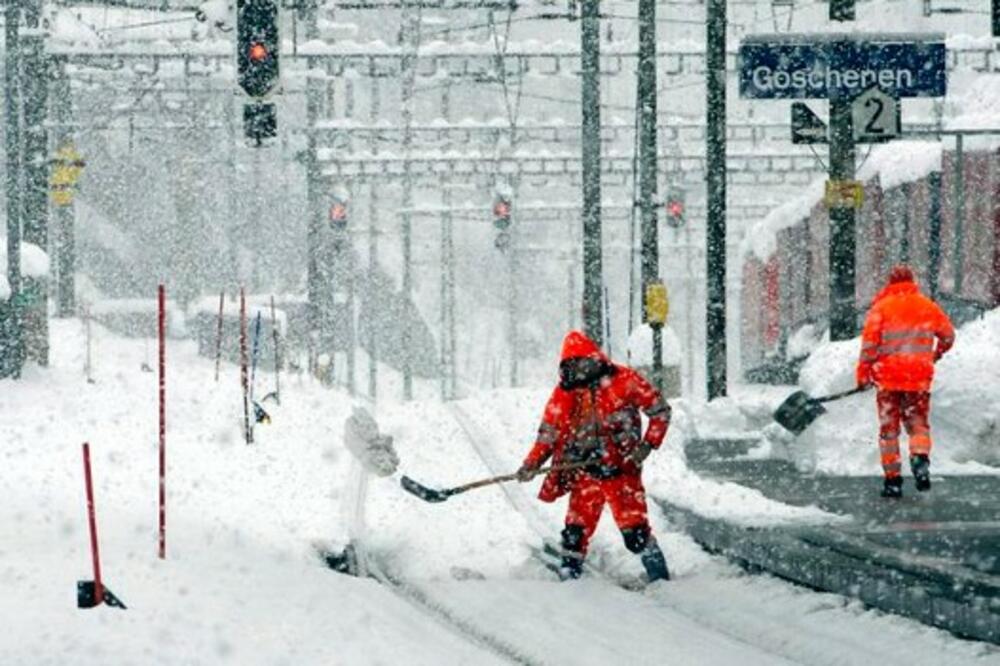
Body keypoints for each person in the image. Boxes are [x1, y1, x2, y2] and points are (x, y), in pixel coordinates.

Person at [517, 330, 671, 582]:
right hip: (583, 471)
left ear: (592, 359)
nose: (578, 371)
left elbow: (660, 411)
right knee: (575, 533)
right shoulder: (565, 392)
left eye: (581, 364)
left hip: (621, 472)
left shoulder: (625, 381)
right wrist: (532, 463)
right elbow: (549, 433)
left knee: (636, 533)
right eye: (571, 366)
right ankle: (570, 577)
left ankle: (660, 579)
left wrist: (647, 445)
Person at [856, 265, 955, 499]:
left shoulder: (881, 308)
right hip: (918, 380)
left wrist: (863, 374)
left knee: (889, 431)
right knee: (918, 424)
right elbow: (949, 335)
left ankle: (893, 482)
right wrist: (935, 354)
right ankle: (920, 458)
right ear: (912, 281)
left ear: (890, 283)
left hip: (888, 381)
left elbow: (869, 346)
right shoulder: (927, 306)